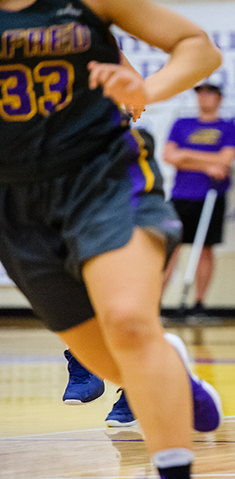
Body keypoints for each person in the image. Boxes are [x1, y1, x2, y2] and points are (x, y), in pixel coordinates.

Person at [0, 1, 223, 478]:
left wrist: (146, 86)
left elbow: (198, 48)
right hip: (15, 201)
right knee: (106, 359)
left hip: (102, 176)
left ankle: (173, 466)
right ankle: (175, 379)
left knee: (127, 322)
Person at [163, 83, 235, 317]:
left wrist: (187, 156)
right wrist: (209, 163)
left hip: (211, 195)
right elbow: (170, 156)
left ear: (219, 98)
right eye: (200, 94)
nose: (204, 98)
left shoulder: (228, 127)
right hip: (181, 196)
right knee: (171, 249)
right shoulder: (182, 124)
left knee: (205, 249)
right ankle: (155, 304)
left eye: (210, 93)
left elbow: (226, 159)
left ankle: (199, 303)